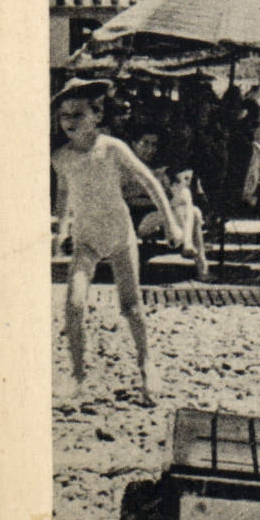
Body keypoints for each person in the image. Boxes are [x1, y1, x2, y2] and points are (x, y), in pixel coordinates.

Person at [51, 79, 183, 403]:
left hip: (120, 234)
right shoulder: (60, 157)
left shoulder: (112, 148)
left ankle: (147, 364)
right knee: (73, 304)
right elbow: (64, 195)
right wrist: (61, 231)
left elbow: (151, 182)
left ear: (96, 114)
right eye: (64, 115)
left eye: (77, 114)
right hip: (86, 239)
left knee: (131, 306)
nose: (69, 121)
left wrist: (171, 225)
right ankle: (79, 375)